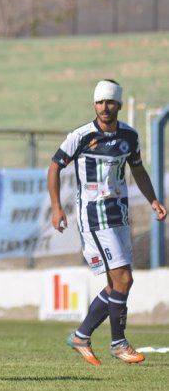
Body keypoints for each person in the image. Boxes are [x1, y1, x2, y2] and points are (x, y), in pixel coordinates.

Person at [48, 79, 166, 366]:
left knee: (119, 284)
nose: (104, 107)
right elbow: (54, 168)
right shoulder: (80, 136)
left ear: (119, 105)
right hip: (93, 217)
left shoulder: (130, 136)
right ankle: (118, 343)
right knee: (123, 278)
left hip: (119, 216)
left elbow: (138, 170)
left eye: (110, 102)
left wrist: (153, 200)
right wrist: (56, 208)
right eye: (100, 102)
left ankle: (81, 335)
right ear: (94, 105)